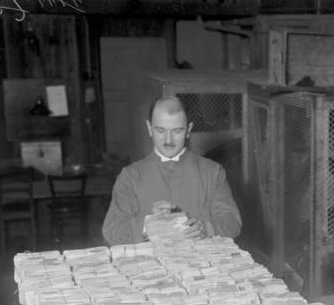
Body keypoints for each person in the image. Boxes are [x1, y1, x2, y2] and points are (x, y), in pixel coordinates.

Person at [102, 95, 241, 246]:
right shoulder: (130, 176)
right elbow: (111, 230)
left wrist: (207, 228)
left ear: (188, 130)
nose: (168, 140)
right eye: (160, 130)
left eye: (177, 131)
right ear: (149, 128)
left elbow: (233, 222)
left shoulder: (212, 172)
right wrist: (147, 226)